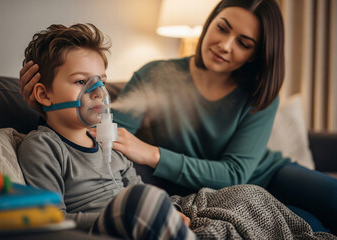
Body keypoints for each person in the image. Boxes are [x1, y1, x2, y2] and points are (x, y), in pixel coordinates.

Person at [19, 0, 337, 235]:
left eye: (243, 43)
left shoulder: (258, 94)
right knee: (309, 225)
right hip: (207, 193)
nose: (225, 46)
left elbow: (236, 173)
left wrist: (152, 153)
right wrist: (44, 109)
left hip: (264, 174)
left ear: (256, 53)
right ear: (210, 21)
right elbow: (95, 134)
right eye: (223, 28)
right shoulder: (156, 75)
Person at [17, 23, 196, 239]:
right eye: (81, 81)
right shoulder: (43, 147)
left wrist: (170, 213)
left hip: (136, 223)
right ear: (44, 95)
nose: (98, 92)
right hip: (99, 230)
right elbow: (51, 219)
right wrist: (133, 212)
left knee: (241, 194)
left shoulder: (109, 141)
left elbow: (140, 188)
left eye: (101, 81)